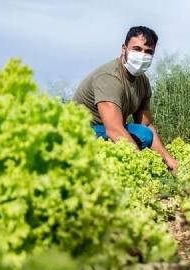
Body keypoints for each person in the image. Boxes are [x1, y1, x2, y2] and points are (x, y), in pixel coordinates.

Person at [73, 26, 178, 173]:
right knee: (139, 136)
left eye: (148, 52)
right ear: (124, 49)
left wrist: (168, 159)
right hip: (81, 133)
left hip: (104, 130)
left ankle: (112, 162)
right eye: (137, 49)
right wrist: (142, 165)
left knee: (144, 133)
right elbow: (114, 130)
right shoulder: (109, 77)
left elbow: (146, 125)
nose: (142, 55)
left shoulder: (143, 82)